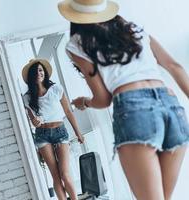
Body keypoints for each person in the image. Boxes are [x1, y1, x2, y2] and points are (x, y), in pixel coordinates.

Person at [58, 0, 189, 200]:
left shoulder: (77, 43)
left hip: (135, 110)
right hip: (171, 107)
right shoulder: (134, 30)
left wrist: (84, 102)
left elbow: (103, 99)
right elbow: (175, 67)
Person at [22, 58, 84, 200]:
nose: (39, 73)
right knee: (55, 176)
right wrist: (36, 122)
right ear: (31, 76)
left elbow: (68, 112)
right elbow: (33, 120)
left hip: (60, 132)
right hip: (42, 135)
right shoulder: (27, 98)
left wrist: (78, 132)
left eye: (41, 70)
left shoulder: (56, 89)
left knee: (65, 174)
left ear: (45, 73)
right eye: (35, 71)